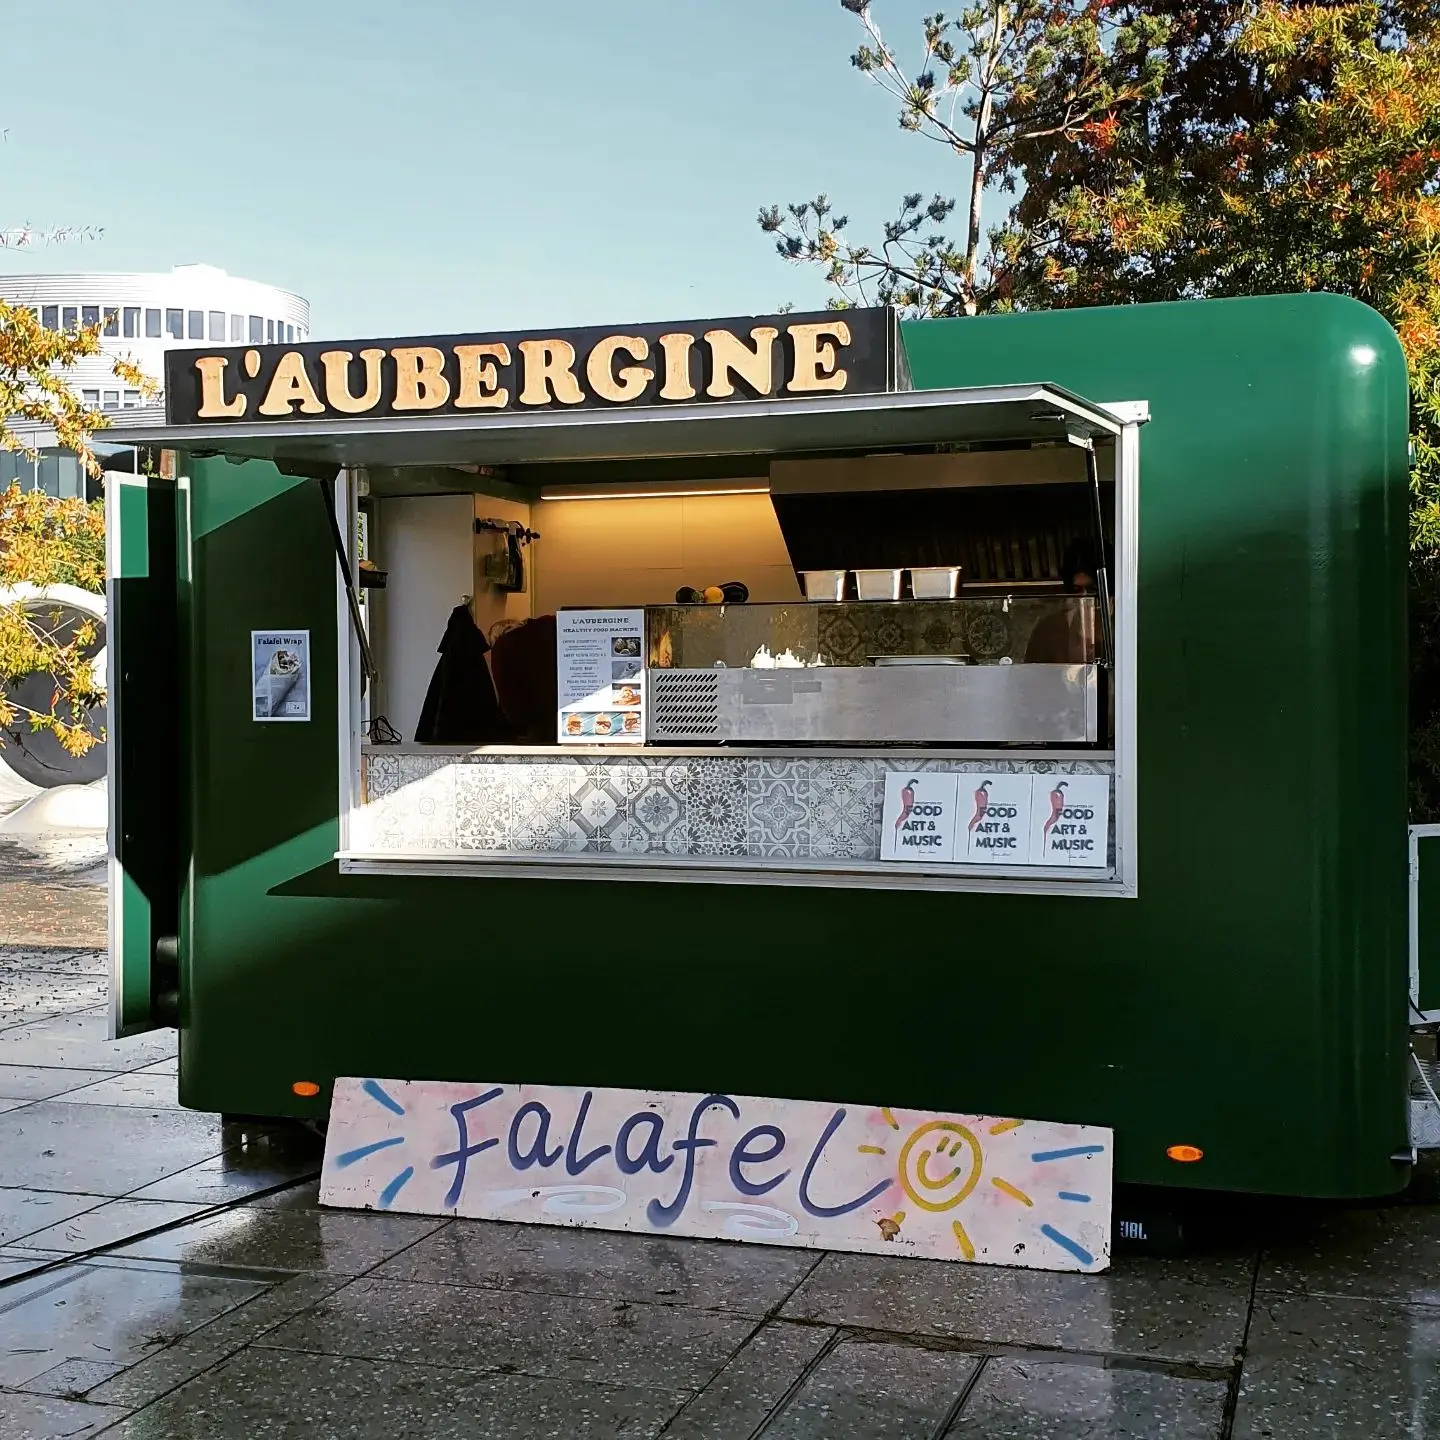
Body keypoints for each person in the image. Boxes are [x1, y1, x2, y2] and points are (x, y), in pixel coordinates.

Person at [1024, 542, 1109, 664]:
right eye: (1077, 590)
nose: (1084, 597)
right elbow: (1029, 677)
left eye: (1092, 590)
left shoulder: (1122, 628)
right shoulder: (1048, 629)